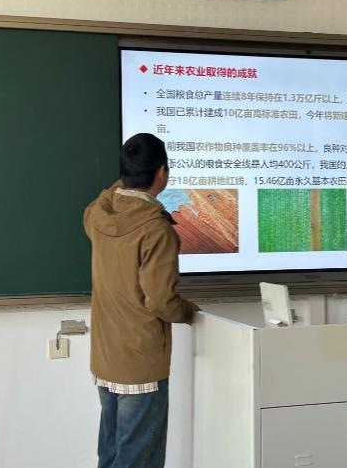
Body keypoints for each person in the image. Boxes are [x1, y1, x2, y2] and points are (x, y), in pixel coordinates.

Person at [84, 133, 199, 468]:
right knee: (138, 459)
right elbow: (161, 301)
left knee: (111, 455)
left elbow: (107, 196)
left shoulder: (97, 214)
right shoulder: (156, 230)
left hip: (106, 357)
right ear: (162, 172)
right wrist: (189, 312)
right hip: (140, 363)